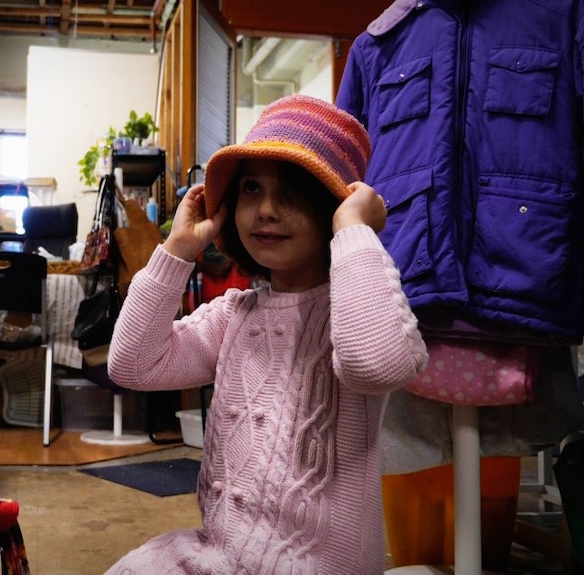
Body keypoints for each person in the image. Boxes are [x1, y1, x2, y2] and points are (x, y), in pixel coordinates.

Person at [105, 94, 428, 574]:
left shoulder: (358, 308)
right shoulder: (235, 315)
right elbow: (131, 364)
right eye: (251, 188)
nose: (267, 210)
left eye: (293, 191)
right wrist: (176, 251)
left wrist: (353, 228)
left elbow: (376, 363)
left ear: (331, 206)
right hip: (220, 553)